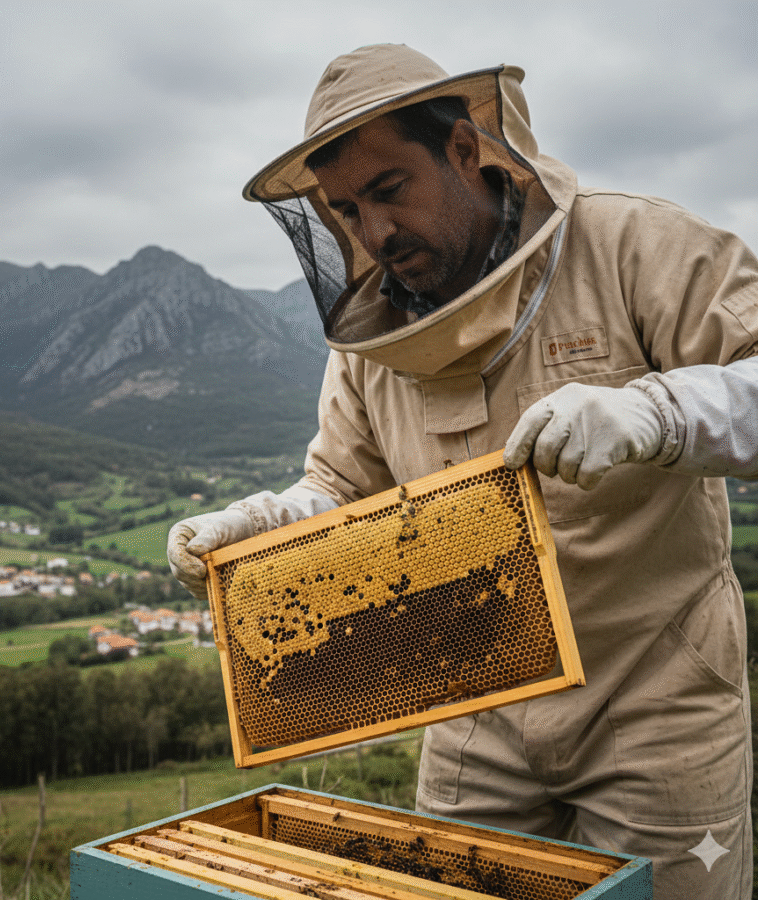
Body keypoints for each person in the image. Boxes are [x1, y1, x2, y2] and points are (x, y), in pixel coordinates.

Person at [168, 43, 758, 898]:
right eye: (345, 210)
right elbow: (340, 489)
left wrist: (657, 413)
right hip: (474, 705)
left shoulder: (631, 241)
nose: (372, 233)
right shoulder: (373, 339)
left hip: (656, 694)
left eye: (387, 190)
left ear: (464, 150)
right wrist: (264, 527)